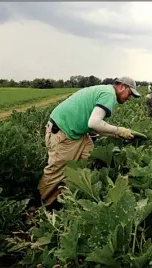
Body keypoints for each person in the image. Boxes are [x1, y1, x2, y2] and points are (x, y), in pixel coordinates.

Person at [38, 76, 141, 207]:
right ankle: (43, 206)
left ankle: (68, 196)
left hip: (77, 132)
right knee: (56, 172)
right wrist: (118, 130)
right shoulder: (109, 95)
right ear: (122, 87)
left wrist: (117, 134)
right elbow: (94, 123)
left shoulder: (105, 91)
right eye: (130, 93)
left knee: (87, 159)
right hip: (64, 131)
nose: (129, 97)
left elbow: (93, 125)